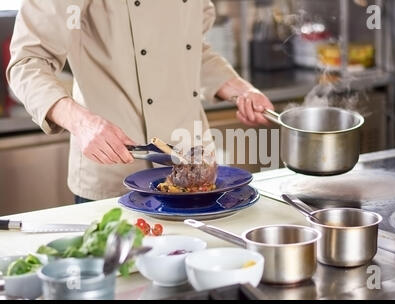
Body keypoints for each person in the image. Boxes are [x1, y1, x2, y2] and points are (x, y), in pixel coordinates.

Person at [7, 0, 274, 203]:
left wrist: (239, 88)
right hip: (117, 167)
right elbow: (27, 62)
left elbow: (190, 47)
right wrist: (81, 122)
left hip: (195, 166)